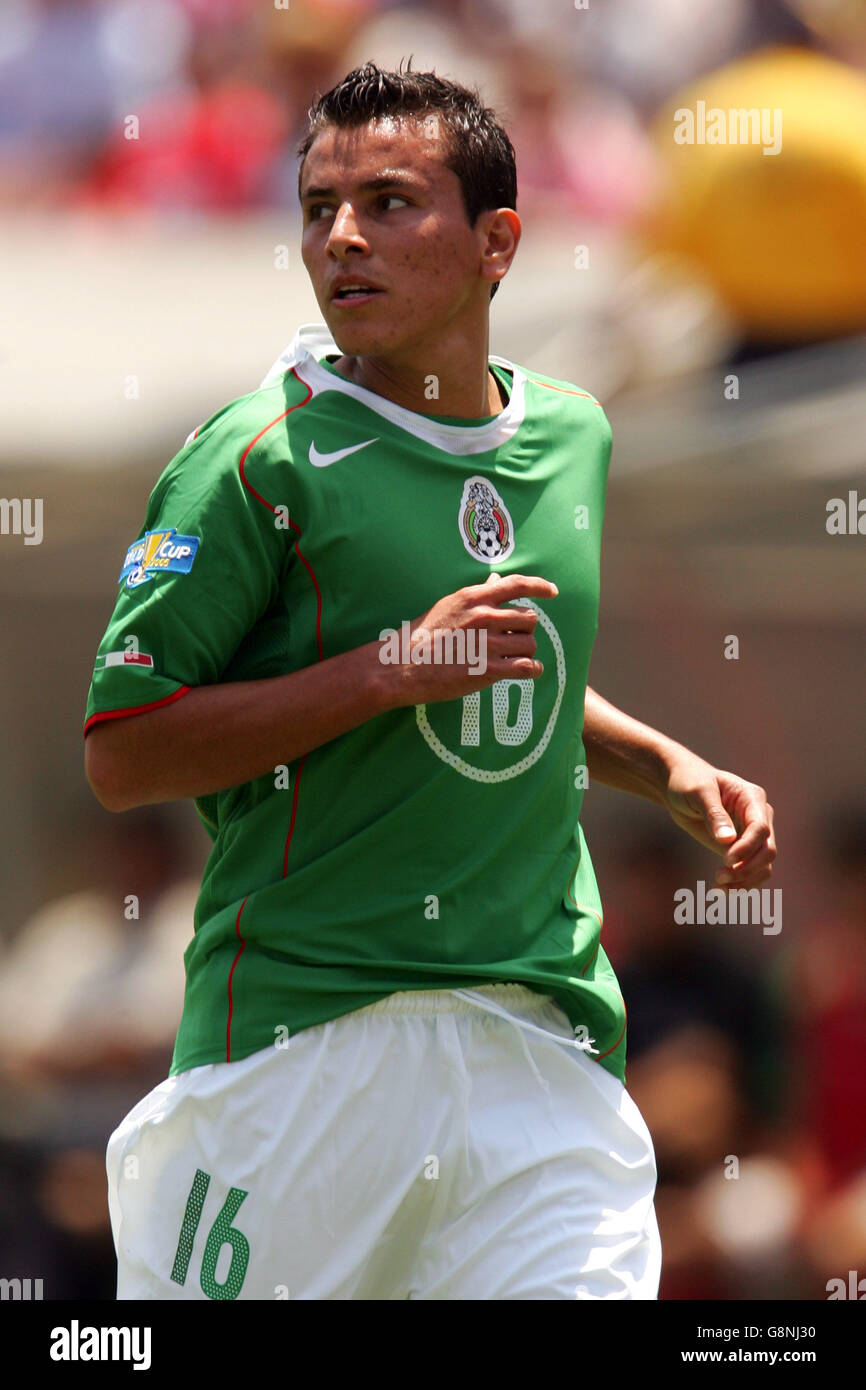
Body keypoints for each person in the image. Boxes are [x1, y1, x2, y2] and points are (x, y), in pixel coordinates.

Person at [83, 60, 776, 1301]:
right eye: (316, 208)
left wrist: (659, 762)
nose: (340, 236)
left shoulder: (574, 431)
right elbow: (125, 748)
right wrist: (385, 670)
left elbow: (517, 672)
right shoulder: (251, 460)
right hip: (303, 1055)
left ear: (495, 240)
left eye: (389, 202)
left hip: (536, 1045)